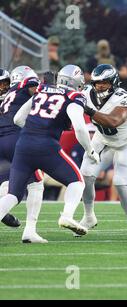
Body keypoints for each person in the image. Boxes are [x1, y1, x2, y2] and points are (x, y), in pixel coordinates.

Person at [0, 64, 99, 241]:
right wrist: (90, 150)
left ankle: (29, 232)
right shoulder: (73, 96)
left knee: (13, 195)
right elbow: (80, 129)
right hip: (46, 146)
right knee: (77, 181)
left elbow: (18, 118)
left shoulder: (42, 90)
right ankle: (67, 215)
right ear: (76, 82)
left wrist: (32, 131)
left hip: (23, 145)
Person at [80, 64, 127, 241]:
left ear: (113, 82)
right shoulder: (86, 93)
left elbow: (113, 121)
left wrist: (88, 109)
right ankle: (88, 217)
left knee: (120, 182)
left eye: (104, 82)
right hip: (102, 139)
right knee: (85, 175)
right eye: (97, 83)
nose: (100, 86)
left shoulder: (122, 97)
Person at [0, 66, 44, 240]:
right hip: (15, 140)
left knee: (8, 186)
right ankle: (30, 230)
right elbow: (39, 90)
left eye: (4, 83)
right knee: (36, 183)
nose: (3, 87)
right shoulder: (24, 86)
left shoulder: (9, 96)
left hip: (2, 142)